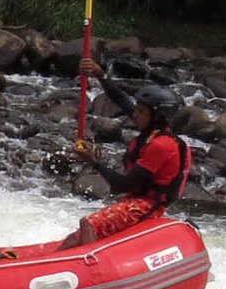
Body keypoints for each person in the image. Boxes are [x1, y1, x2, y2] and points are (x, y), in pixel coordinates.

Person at [62, 63, 193, 246]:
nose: (135, 114)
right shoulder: (152, 130)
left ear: (157, 116)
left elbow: (122, 184)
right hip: (134, 200)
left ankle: (94, 262)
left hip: (148, 206)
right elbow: (121, 99)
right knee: (75, 237)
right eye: (137, 109)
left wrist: (93, 161)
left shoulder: (161, 145)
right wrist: (100, 75)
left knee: (88, 224)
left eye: (141, 111)